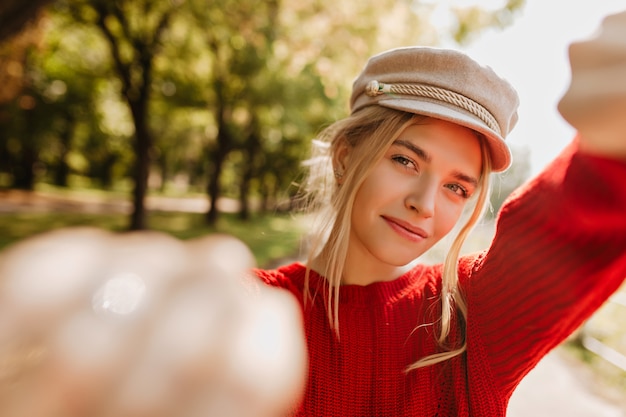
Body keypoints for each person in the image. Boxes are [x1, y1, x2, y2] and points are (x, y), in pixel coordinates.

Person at [254, 9, 626, 417]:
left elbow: (578, 216)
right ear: (345, 156)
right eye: (405, 160)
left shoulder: (470, 319)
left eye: (456, 187)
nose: (425, 204)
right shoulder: (247, 310)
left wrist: (609, 141)